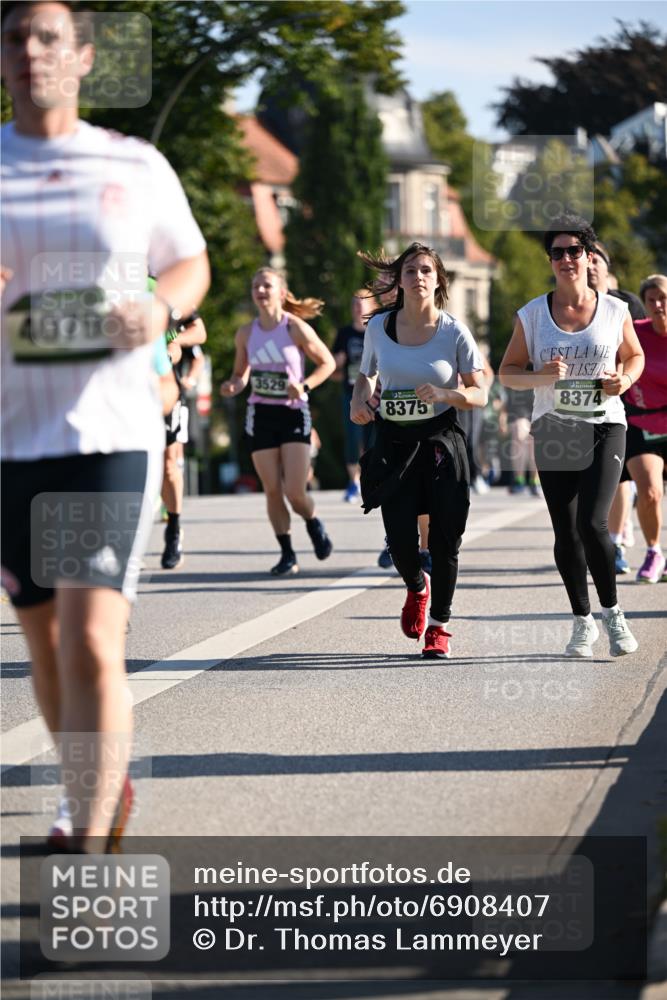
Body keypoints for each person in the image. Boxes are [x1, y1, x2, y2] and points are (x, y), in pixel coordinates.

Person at [0, 0, 209, 850]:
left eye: (48, 36)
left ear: (83, 58)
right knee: (46, 646)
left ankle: (84, 836)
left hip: (108, 432)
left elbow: (190, 261)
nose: (28, 51)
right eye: (13, 37)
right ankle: (98, 782)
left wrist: (159, 305)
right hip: (14, 439)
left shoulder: (132, 163)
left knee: (91, 637)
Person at [499, 214, 644, 658]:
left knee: (593, 522)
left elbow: (633, 355)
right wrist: (539, 375)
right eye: (558, 252)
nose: (567, 259)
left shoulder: (616, 309)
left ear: (589, 256)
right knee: (566, 530)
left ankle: (613, 614)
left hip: (605, 424)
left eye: (575, 251)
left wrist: (624, 378)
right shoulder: (533, 315)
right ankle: (582, 621)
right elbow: (507, 373)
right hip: (556, 426)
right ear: (550, 261)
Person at [351, 242, 487, 659]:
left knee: (446, 537)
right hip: (394, 442)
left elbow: (480, 393)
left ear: (438, 280)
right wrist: (359, 402)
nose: (419, 277)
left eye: (426, 270)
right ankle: (416, 585)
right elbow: (366, 377)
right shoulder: (380, 328)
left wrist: (448, 392)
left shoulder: (453, 331)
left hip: (440, 440)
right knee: (399, 540)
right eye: (410, 271)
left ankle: (440, 626)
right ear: (400, 281)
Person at [220, 268, 336, 575]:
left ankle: (312, 521)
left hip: (293, 412)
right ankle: (287, 553)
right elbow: (240, 372)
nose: (260, 290)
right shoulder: (246, 333)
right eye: (255, 285)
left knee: (295, 492)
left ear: (281, 293)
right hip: (261, 414)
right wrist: (234, 384)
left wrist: (305, 386)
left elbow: (328, 362)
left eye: (266, 285)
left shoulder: (294, 327)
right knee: (272, 489)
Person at [587, 240, 646, 572]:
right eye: (587, 259)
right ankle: (593, 538)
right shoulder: (567, 303)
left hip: (623, 402)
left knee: (620, 476)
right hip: (580, 405)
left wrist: (624, 378)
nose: (591, 265)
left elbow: (638, 350)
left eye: (598, 259)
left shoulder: (626, 304)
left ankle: (618, 544)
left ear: (608, 267)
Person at [622, 274, 667, 583]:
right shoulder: (634, 333)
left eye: (663, 298)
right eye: (650, 300)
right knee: (650, 491)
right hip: (641, 422)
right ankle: (654, 552)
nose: (658, 305)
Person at [333, 290, 376, 502]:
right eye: (355, 303)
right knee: (352, 440)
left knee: (372, 440)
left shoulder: (377, 331)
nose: (358, 307)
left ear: (373, 306)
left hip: (375, 395)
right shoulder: (344, 334)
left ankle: (371, 479)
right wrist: (337, 363)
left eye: (363, 303)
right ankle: (353, 483)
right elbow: (332, 370)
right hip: (350, 394)